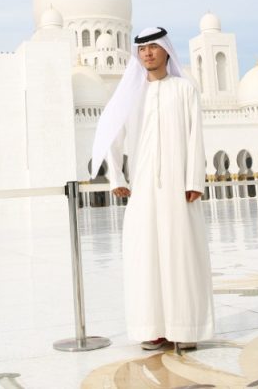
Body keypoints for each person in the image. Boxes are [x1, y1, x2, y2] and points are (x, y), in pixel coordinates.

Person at [91, 26, 214, 352]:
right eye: (142, 49)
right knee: (145, 257)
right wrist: (117, 177)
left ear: (165, 51)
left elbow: (194, 136)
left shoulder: (184, 89)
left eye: (153, 47)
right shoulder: (131, 95)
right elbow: (110, 135)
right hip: (144, 189)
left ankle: (185, 328)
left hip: (178, 188)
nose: (147, 53)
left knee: (180, 254)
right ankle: (153, 328)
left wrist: (194, 181)